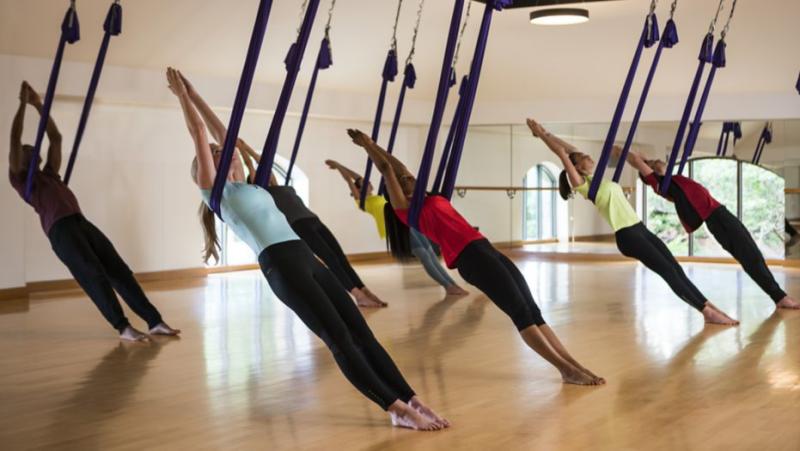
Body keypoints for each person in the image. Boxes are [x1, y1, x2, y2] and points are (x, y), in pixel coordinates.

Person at [167, 68, 447, 430]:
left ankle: (412, 399)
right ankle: (395, 408)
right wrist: (183, 98)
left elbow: (227, 134)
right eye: (217, 155)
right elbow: (200, 133)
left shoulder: (253, 186)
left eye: (226, 152)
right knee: (340, 339)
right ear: (206, 169)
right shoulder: (218, 194)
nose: (227, 153)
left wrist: (197, 94)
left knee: (362, 333)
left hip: (305, 257)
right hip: (282, 266)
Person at [347, 128, 605, 386]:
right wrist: (367, 145)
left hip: (485, 248)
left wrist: (378, 146)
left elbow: (395, 164)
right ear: (400, 191)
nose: (409, 177)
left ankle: (573, 364)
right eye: (405, 180)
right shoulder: (407, 210)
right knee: (521, 314)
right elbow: (386, 168)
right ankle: (564, 369)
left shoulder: (430, 197)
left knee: (533, 311)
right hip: (470, 259)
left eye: (409, 175)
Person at [177, 72, 386, 308]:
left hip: (309, 220)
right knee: (330, 262)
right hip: (294, 230)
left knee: (338, 259)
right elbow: (212, 137)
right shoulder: (243, 189)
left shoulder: (261, 183)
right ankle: (358, 294)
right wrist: (242, 149)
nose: (227, 152)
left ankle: (364, 290)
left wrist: (247, 150)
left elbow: (244, 153)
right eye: (218, 152)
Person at [8, 81, 180, 341]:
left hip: (81, 223)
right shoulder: (21, 179)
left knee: (119, 271)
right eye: (26, 149)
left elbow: (55, 138)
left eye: (32, 148)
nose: (30, 148)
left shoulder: (51, 175)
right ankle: (123, 327)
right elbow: (14, 139)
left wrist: (38, 104)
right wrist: (22, 104)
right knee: (93, 276)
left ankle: (154, 321)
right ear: (20, 159)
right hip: (60, 231)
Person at [526, 118, 739, 325]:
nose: (588, 156)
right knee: (667, 271)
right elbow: (562, 153)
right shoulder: (581, 183)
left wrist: (546, 132)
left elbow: (567, 150)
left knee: (675, 267)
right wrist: (542, 135)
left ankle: (707, 304)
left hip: (639, 228)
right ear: (578, 168)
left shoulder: (597, 178)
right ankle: (705, 311)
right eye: (583, 157)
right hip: (627, 236)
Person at [618, 147, 799, 310]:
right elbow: (636, 159)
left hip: (721, 213)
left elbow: (642, 155)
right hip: (717, 219)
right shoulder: (660, 185)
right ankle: (779, 297)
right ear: (648, 172)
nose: (654, 160)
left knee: (754, 256)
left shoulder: (674, 180)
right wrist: (621, 150)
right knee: (751, 257)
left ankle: (779, 296)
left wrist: (645, 159)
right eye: (649, 163)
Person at [326, 159, 468, 296]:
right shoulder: (361, 201)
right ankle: (448, 286)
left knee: (430, 252)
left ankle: (452, 283)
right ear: (358, 190)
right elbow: (350, 180)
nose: (368, 182)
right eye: (364, 183)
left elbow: (357, 178)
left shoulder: (373, 197)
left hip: (405, 222)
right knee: (424, 256)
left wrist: (343, 167)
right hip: (396, 230)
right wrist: (338, 166)